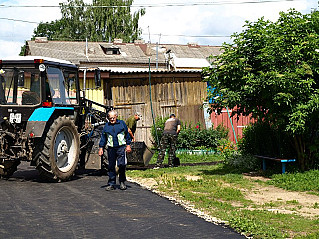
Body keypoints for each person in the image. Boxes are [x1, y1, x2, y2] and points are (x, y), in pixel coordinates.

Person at [98, 110, 132, 190]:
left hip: (121, 147)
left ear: (116, 117)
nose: (112, 120)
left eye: (113, 118)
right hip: (111, 148)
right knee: (111, 166)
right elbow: (103, 138)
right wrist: (101, 148)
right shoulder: (107, 126)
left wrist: (128, 145)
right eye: (110, 118)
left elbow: (127, 135)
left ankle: (122, 182)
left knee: (122, 165)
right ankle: (111, 183)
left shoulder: (122, 124)